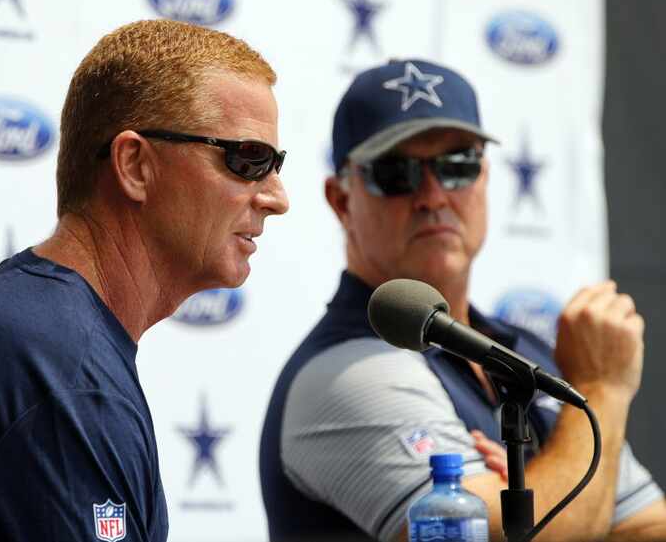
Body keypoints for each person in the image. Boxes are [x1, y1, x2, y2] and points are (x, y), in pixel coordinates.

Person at [0, 19, 288, 542]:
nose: (277, 198)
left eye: (276, 165)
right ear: (134, 165)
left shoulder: (46, 335)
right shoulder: (56, 367)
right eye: (249, 160)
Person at [260, 58, 666, 542]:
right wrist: (601, 391)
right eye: (397, 174)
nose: (433, 195)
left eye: (458, 166)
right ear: (341, 200)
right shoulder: (345, 372)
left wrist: (544, 490)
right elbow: (543, 534)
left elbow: (649, 526)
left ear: (485, 177)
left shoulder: (525, 351)